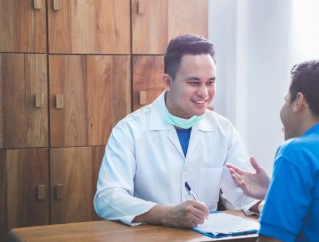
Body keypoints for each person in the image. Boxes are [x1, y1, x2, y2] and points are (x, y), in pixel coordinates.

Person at [93, 34, 260, 228]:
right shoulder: (130, 130)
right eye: (194, 83)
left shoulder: (224, 131)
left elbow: (240, 197)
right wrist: (166, 214)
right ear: (168, 82)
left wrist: (263, 202)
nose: (204, 93)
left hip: (206, 240)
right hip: (152, 240)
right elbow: (107, 198)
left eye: (210, 82)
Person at [227, 59, 319, 242]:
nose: (283, 109)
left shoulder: (295, 152)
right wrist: (273, 191)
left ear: (298, 102)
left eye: (286, 100)